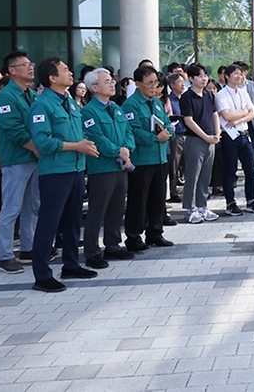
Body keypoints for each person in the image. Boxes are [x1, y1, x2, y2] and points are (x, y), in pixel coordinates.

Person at [28, 58, 100, 292]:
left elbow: (80, 132)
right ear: (52, 77)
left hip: (77, 169)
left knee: (72, 221)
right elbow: (43, 142)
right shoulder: (43, 105)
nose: (71, 73)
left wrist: (84, 146)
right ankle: (42, 275)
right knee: (49, 223)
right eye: (65, 70)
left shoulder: (69, 101)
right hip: (56, 172)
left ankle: (71, 263)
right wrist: (76, 146)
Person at [81, 68, 137, 269]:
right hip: (102, 167)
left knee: (116, 207)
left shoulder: (116, 108)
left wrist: (127, 149)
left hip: (120, 165)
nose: (112, 84)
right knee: (98, 210)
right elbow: (96, 138)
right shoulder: (88, 111)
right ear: (94, 87)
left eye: (112, 81)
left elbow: (128, 131)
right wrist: (118, 151)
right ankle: (92, 251)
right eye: (107, 81)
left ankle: (113, 244)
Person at [0, 51, 41, 274]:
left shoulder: (30, 94)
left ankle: (28, 248)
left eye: (30, 64)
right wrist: (37, 149)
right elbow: (15, 130)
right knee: (11, 207)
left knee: (32, 206)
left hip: (33, 157)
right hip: (16, 159)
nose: (30, 67)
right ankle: (5, 255)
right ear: (12, 70)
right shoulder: (5, 96)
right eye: (25, 65)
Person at [122, 65, 176, 251]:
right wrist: (155, 138)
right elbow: (133, 130)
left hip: (160, 157)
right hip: (143, 159)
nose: (154, 87)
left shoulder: (157, 103)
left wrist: (168, 133)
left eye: (156, 83)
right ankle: (134, 236)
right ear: (138, 84)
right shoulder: (130, 105)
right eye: (150, 83)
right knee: (139, 199)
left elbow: (168, 123)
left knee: (157, 198)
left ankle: (155, 232)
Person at [215, 64, 254, 214]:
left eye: (241, 74)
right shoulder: (221, 95)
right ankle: (230, 203)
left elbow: (253, 113)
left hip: (244, 134)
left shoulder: (243, 93)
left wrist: (238, 119)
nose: (239, 76)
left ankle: (251, 201)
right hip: (229, 137)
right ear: (227, 76)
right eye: (235, 74)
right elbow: (226, 115)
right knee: (230, 171)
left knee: (250, 170)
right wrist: (243, 113)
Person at [179, 63, 221, 224]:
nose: (204, 79)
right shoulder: (187, 97)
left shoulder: (209, 95)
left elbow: (215, 115)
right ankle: (191, 208)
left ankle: (203, 206)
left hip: (211, 139)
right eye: (200, 76)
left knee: (205, 175)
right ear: (191, 79)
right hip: (195, 140)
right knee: (193, 175)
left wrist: (217, 133)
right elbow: (188, 121)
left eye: (205, 75)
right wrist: (206, 136)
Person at [165, 72, 186, 201]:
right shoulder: (169, 100)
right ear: (172, 85)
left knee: (188, 164)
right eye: (180, 82)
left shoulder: (186, 98)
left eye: (184, 82)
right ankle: (173, 192)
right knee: (174, 164)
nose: (183, 85)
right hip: (175, 135)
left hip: (188, 134)